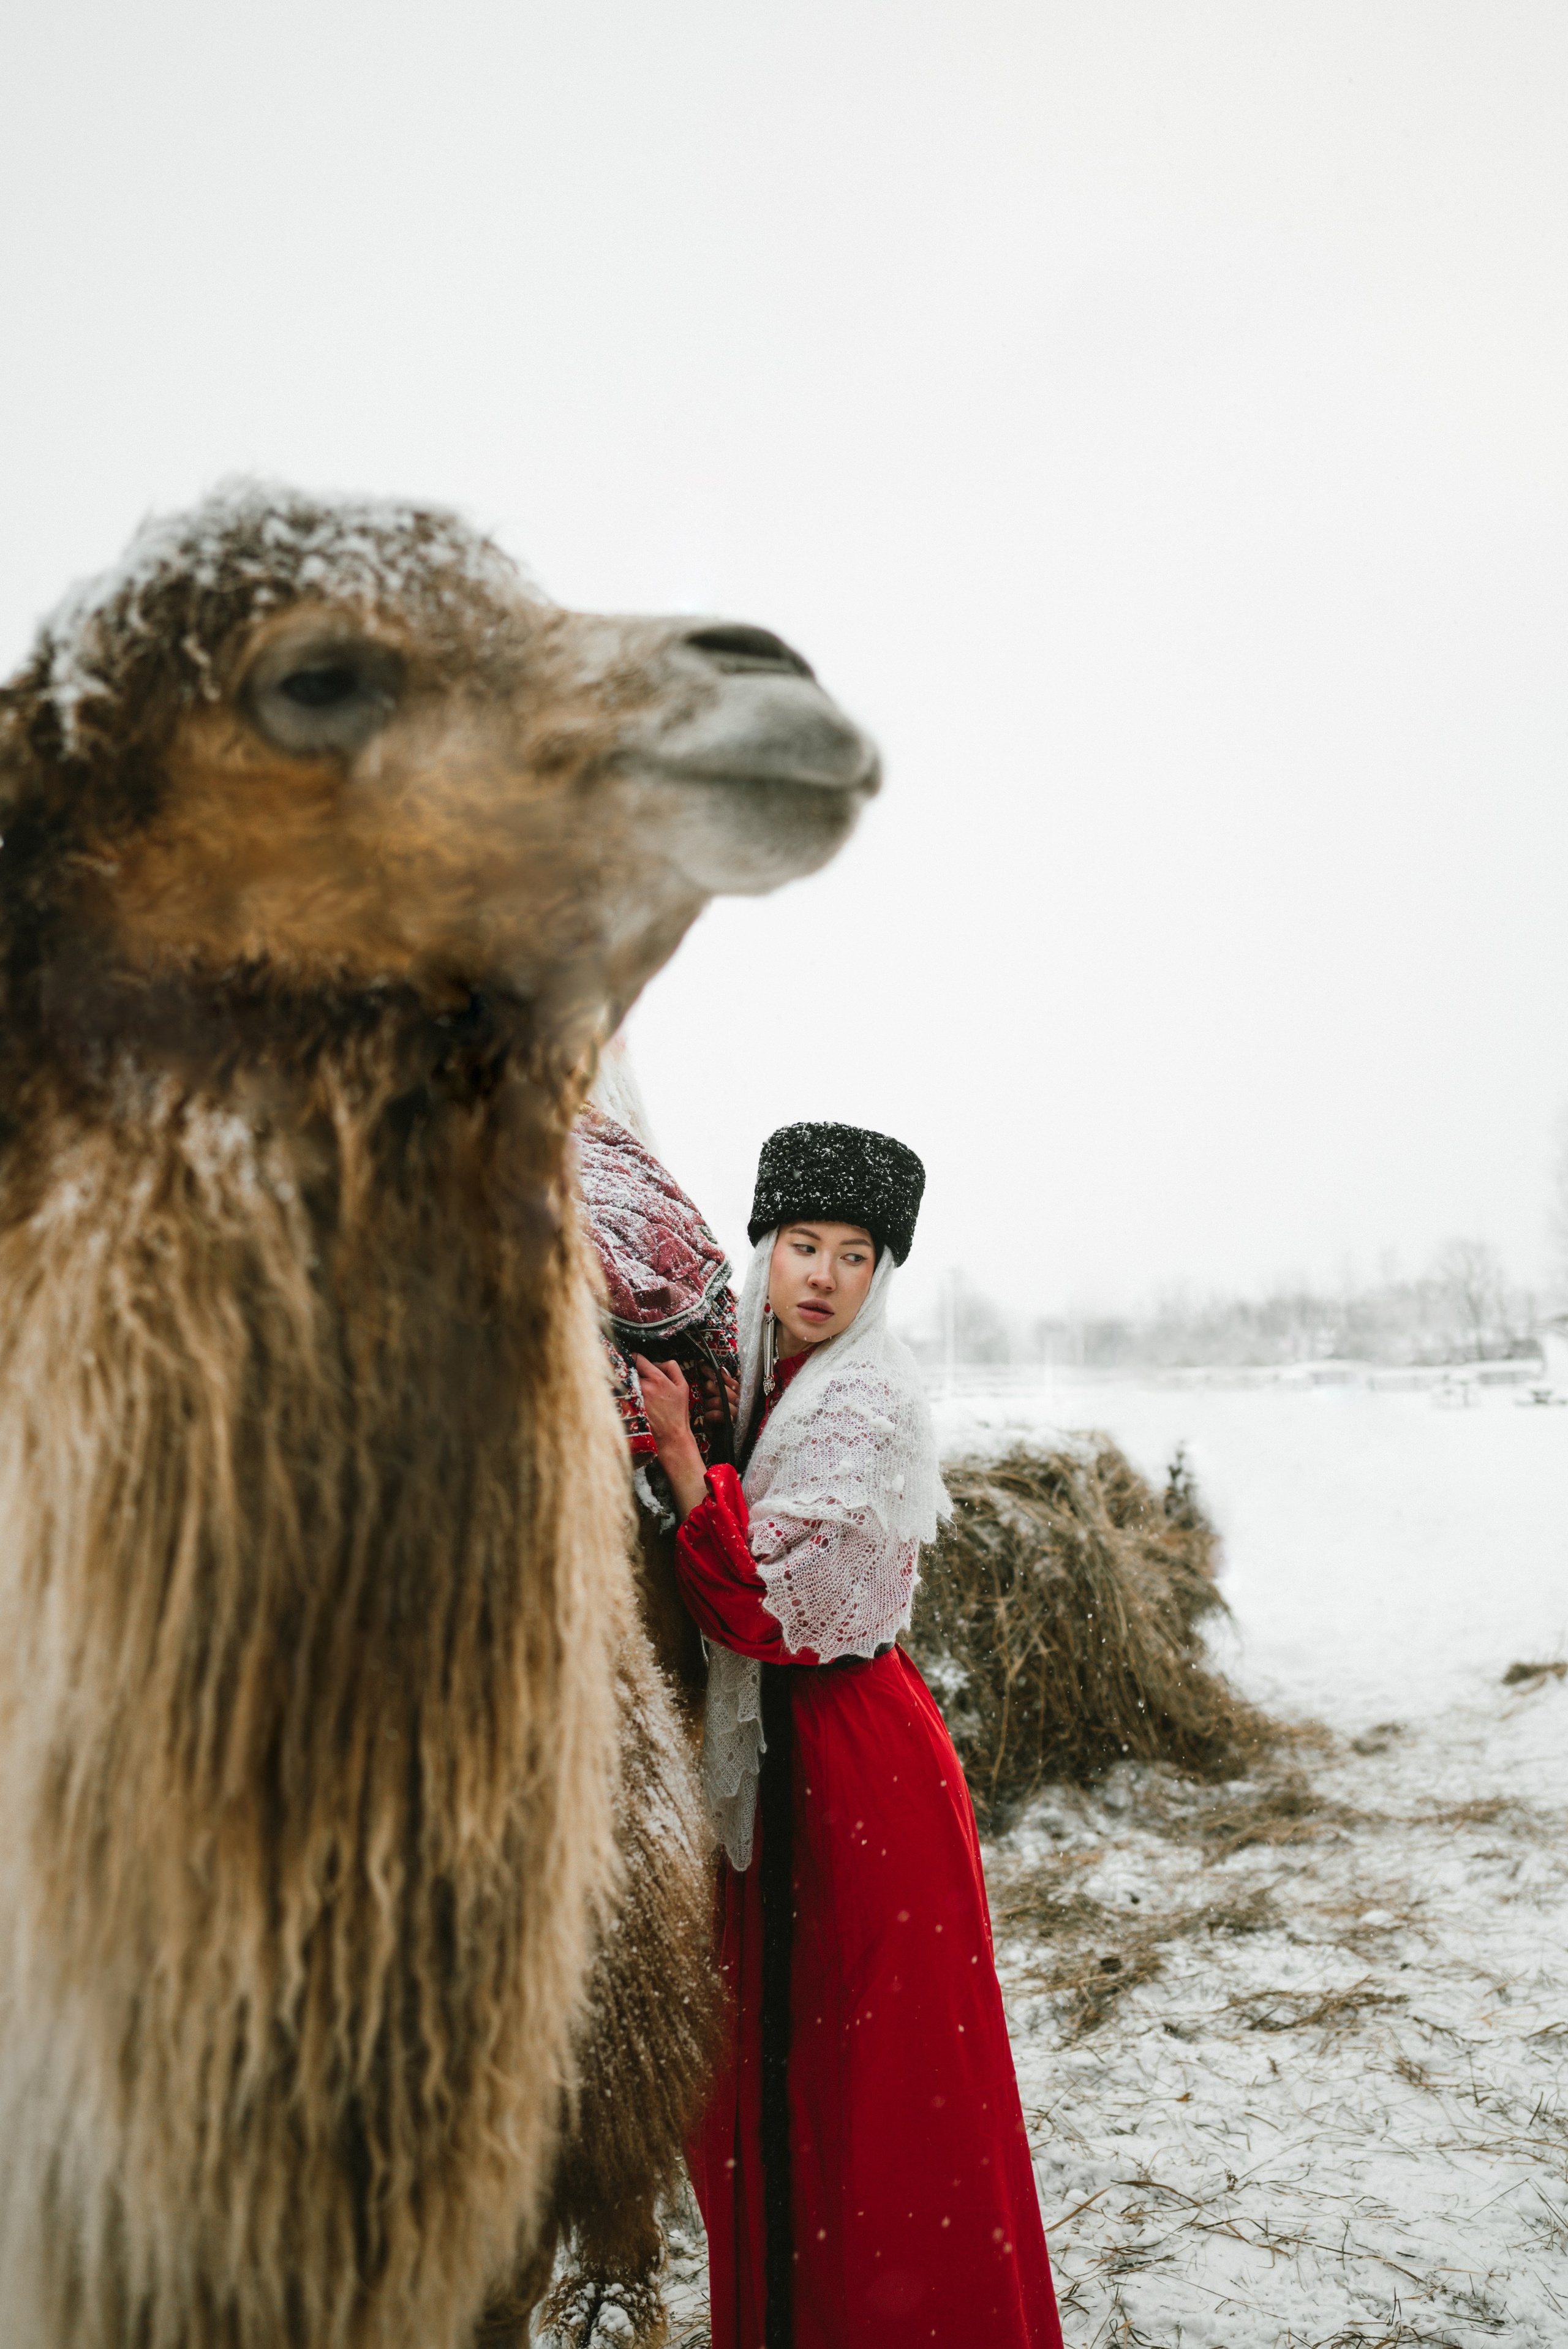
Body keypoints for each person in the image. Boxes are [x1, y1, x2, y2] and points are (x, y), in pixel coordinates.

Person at [634, 1122, 1063, 2349]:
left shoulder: (863, 1400)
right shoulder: (773, 1383)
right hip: (798, 1763)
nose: (822, 1274)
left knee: (874, 2095)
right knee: (786, 2069)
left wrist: (678, 1460)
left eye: (856, 1253)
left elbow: (765, 1604)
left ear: (883, 1276)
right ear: (765, 1252)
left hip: (852, 1765)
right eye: (801, 1244)